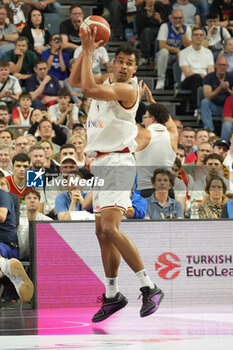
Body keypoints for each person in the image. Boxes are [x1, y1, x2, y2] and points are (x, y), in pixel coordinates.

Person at [69, 32, 164, 321]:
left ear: (135, 70)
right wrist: (85, 53)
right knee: (101, 232)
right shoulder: (107, 80)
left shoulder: (128, 90)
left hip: (118, 161)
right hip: (101, 163)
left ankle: (149, 286)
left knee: (109, 228)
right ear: (112, 63)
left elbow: (87, 90)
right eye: (120, 61)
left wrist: (86, 50)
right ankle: (112, 294)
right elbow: (75, 82)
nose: (123, 66)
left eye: (129, 63)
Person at [135, 99, 178, 198]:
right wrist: (152, 101)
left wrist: (136, 99)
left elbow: (126, 123)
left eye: (145, 117)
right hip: (168, 192)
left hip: (146, 191)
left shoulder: (142, 134)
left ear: (152, 118)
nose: (143, 120)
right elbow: (169, 122)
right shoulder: (173, 135)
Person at [0, 187, 34, 302]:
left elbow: (2, 216)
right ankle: (5, 267)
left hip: (6, 244)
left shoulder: (2, 194)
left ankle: (5, 266)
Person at [179, 26, 214, 109]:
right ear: (191, 37)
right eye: (196, 35)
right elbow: (187, 73)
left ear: (203, 37)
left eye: (201, 35)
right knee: (196, 78)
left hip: (205, 79)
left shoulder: (208, 52)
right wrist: (202, 75)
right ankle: (197, 108)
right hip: (188, 81)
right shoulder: (183, 53)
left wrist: (207, 78)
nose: (198, 37)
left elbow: (211, 71)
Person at [155, 9, 191, 90]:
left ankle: (178, 83)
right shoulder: (165, 26)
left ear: (183, 19)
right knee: (164, 51)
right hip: (166, 57)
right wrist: (177, 51)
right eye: (175, 18)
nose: (178, 20)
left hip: (179, 57)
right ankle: (160, 80)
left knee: (183, 54)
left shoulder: (187, 28)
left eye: (180, 18)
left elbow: (189, 47)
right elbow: (162, 45)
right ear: (170, 18)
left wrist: (182, 33)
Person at [201, 55, 233, 132]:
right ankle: (209, 130)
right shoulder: (208, 77)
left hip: (229, 108)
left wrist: (228, 89)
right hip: (214, 107)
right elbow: (207, 95)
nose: (222, 67)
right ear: (215, 66)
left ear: (228, 66)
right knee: (205, 102)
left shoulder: (231, 77)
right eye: (219, 65)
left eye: (224, 65)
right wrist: (220, 88)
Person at [135, 0, 168, 65]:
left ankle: (155, 58)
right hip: (146, 33)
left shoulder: (160, 8)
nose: (151, 1)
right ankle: (145, 57)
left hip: (160, 31)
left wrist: (160, 20)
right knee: (147, 31)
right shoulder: (141, 11)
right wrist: (147, 18)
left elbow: (166, 25)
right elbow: (139, 28)